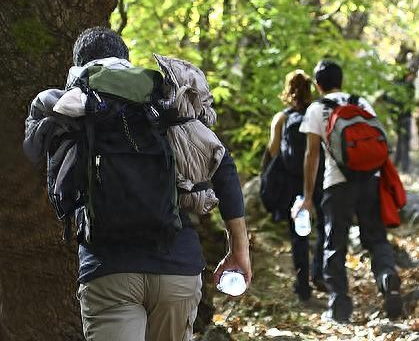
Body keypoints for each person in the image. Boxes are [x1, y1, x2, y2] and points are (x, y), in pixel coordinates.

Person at [24, 27, 251, 341]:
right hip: (177, 268)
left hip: (109, 271)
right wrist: (239, 250)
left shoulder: (73, 106)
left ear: (79, 66)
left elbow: (30, 159)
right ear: (125, 60)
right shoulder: (162, 103)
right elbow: (222, 165)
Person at [295, 60, 403, 323]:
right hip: (371, 180)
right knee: (376, 237)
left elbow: (312, 156)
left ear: (318, 85)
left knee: (335, 243)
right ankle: (387, 276)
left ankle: (339, 306)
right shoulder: (360, 102)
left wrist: (308, 197)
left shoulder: (317, 108)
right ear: (341, 80)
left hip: (337, 183)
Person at [262, 70, 325, 301]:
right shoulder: (317, 114)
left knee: (299, 234)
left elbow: (274, 150)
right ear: (310, 89)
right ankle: (319, 273)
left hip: (292, 183)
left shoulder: (282, 118)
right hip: (318, 179)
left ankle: (303, 286)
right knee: (323, 227)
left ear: (288, 90)